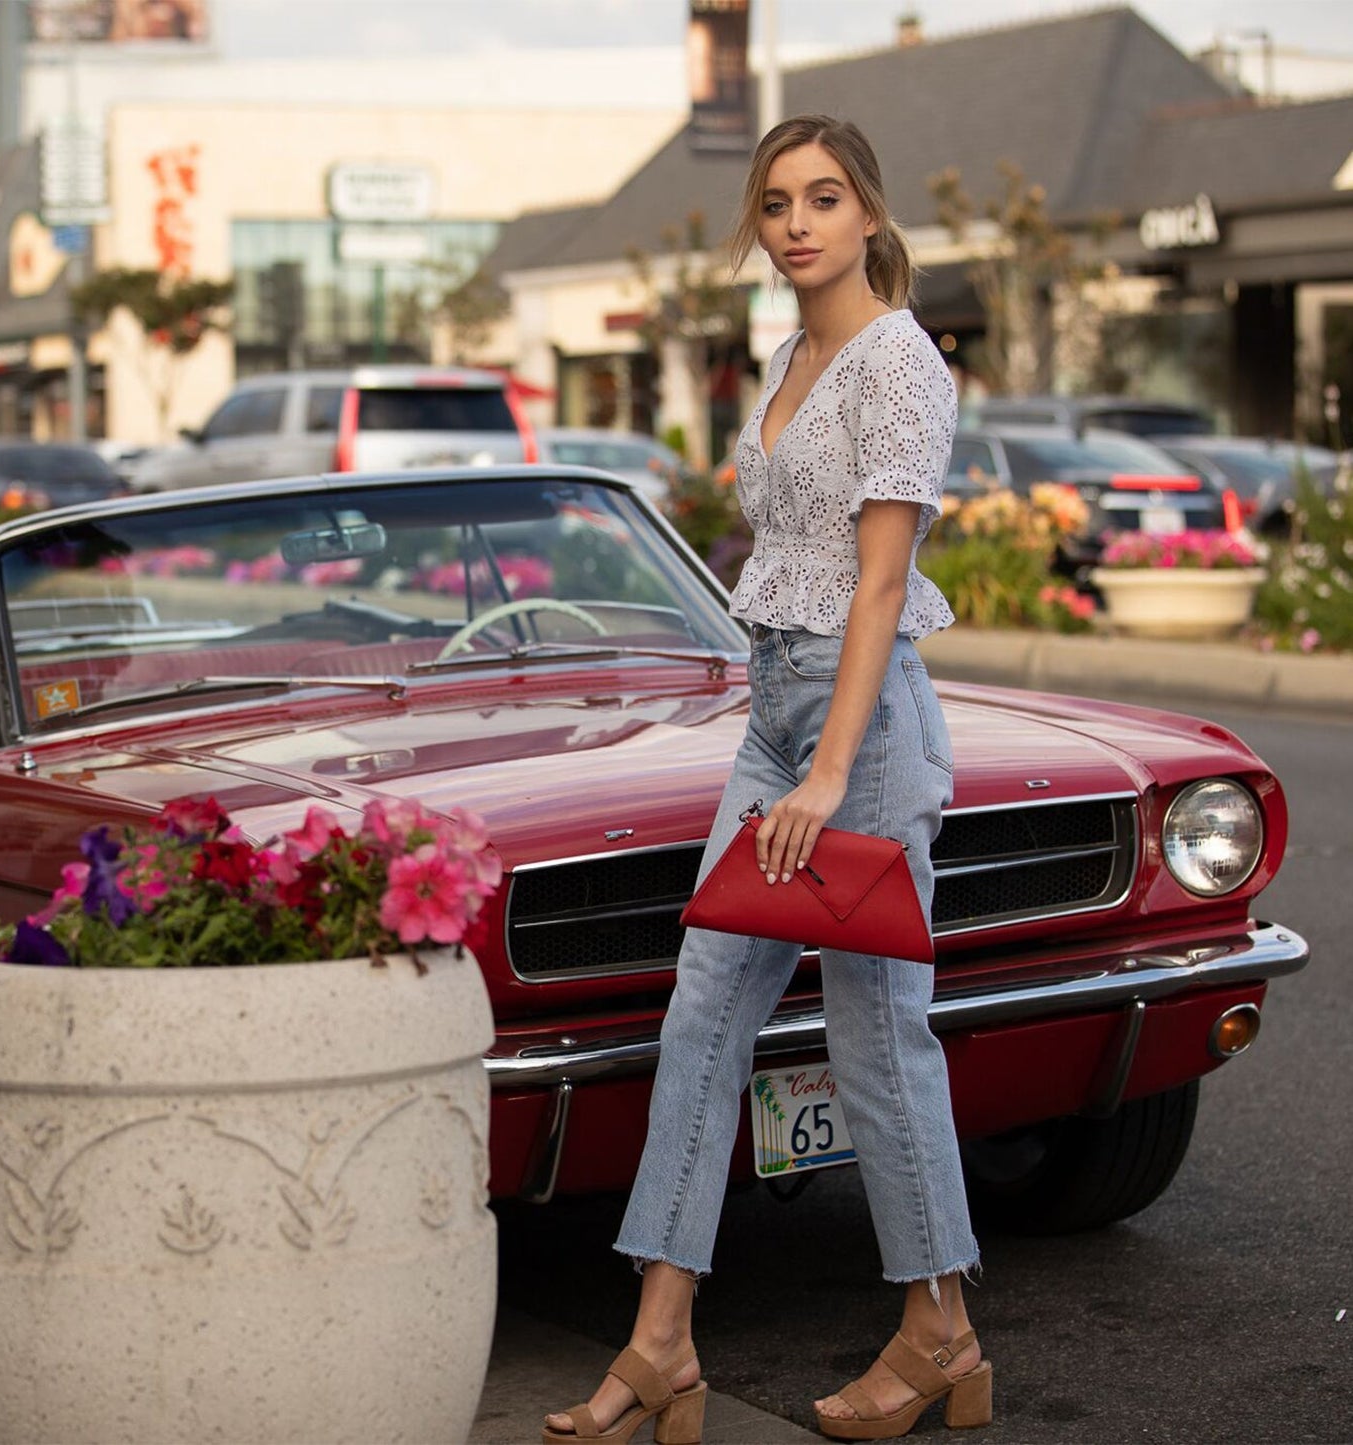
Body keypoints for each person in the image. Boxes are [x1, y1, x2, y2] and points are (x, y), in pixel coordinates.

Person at [543, 114, 989, 1444]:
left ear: (868, 216)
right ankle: (662, 1344)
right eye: (778, 200)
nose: (796, 222)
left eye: (825, 198)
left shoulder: (897, 363)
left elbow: (881, 581)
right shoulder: (792, 353)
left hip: (861, 731)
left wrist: (831, 770)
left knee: (874, 1034)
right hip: (772, 717)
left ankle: (940, 1329)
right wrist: (789, 752)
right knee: (701, 1012)